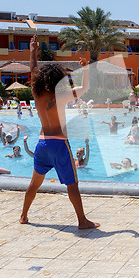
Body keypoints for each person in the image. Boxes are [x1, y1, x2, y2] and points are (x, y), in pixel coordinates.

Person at [19, 35, 99, 230]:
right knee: (72, 185)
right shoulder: (61, 95)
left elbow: (32, 70)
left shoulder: (36, 95)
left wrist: (32, 50)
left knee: (34, 184)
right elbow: (85, 87)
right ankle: (82, 221)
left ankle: (23, 216)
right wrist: (86, 69)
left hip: (42, 144)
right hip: (59, 144)